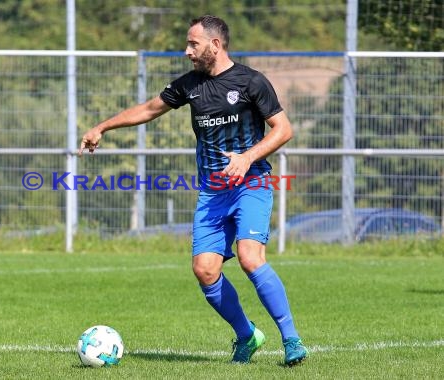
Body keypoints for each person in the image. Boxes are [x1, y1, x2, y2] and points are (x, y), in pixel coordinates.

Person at [79, 15, 308, 366]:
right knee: (204, 270)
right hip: (212, 192)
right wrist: (102, 127)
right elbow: (149, 109)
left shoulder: (251, 81)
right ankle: (248, 336)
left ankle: (292, 340)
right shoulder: (190, 85)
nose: (187, 51)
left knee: (250, 257)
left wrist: (247, 157)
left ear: (215, 45)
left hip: (252, 183)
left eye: (193, 44)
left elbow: (283, 129)